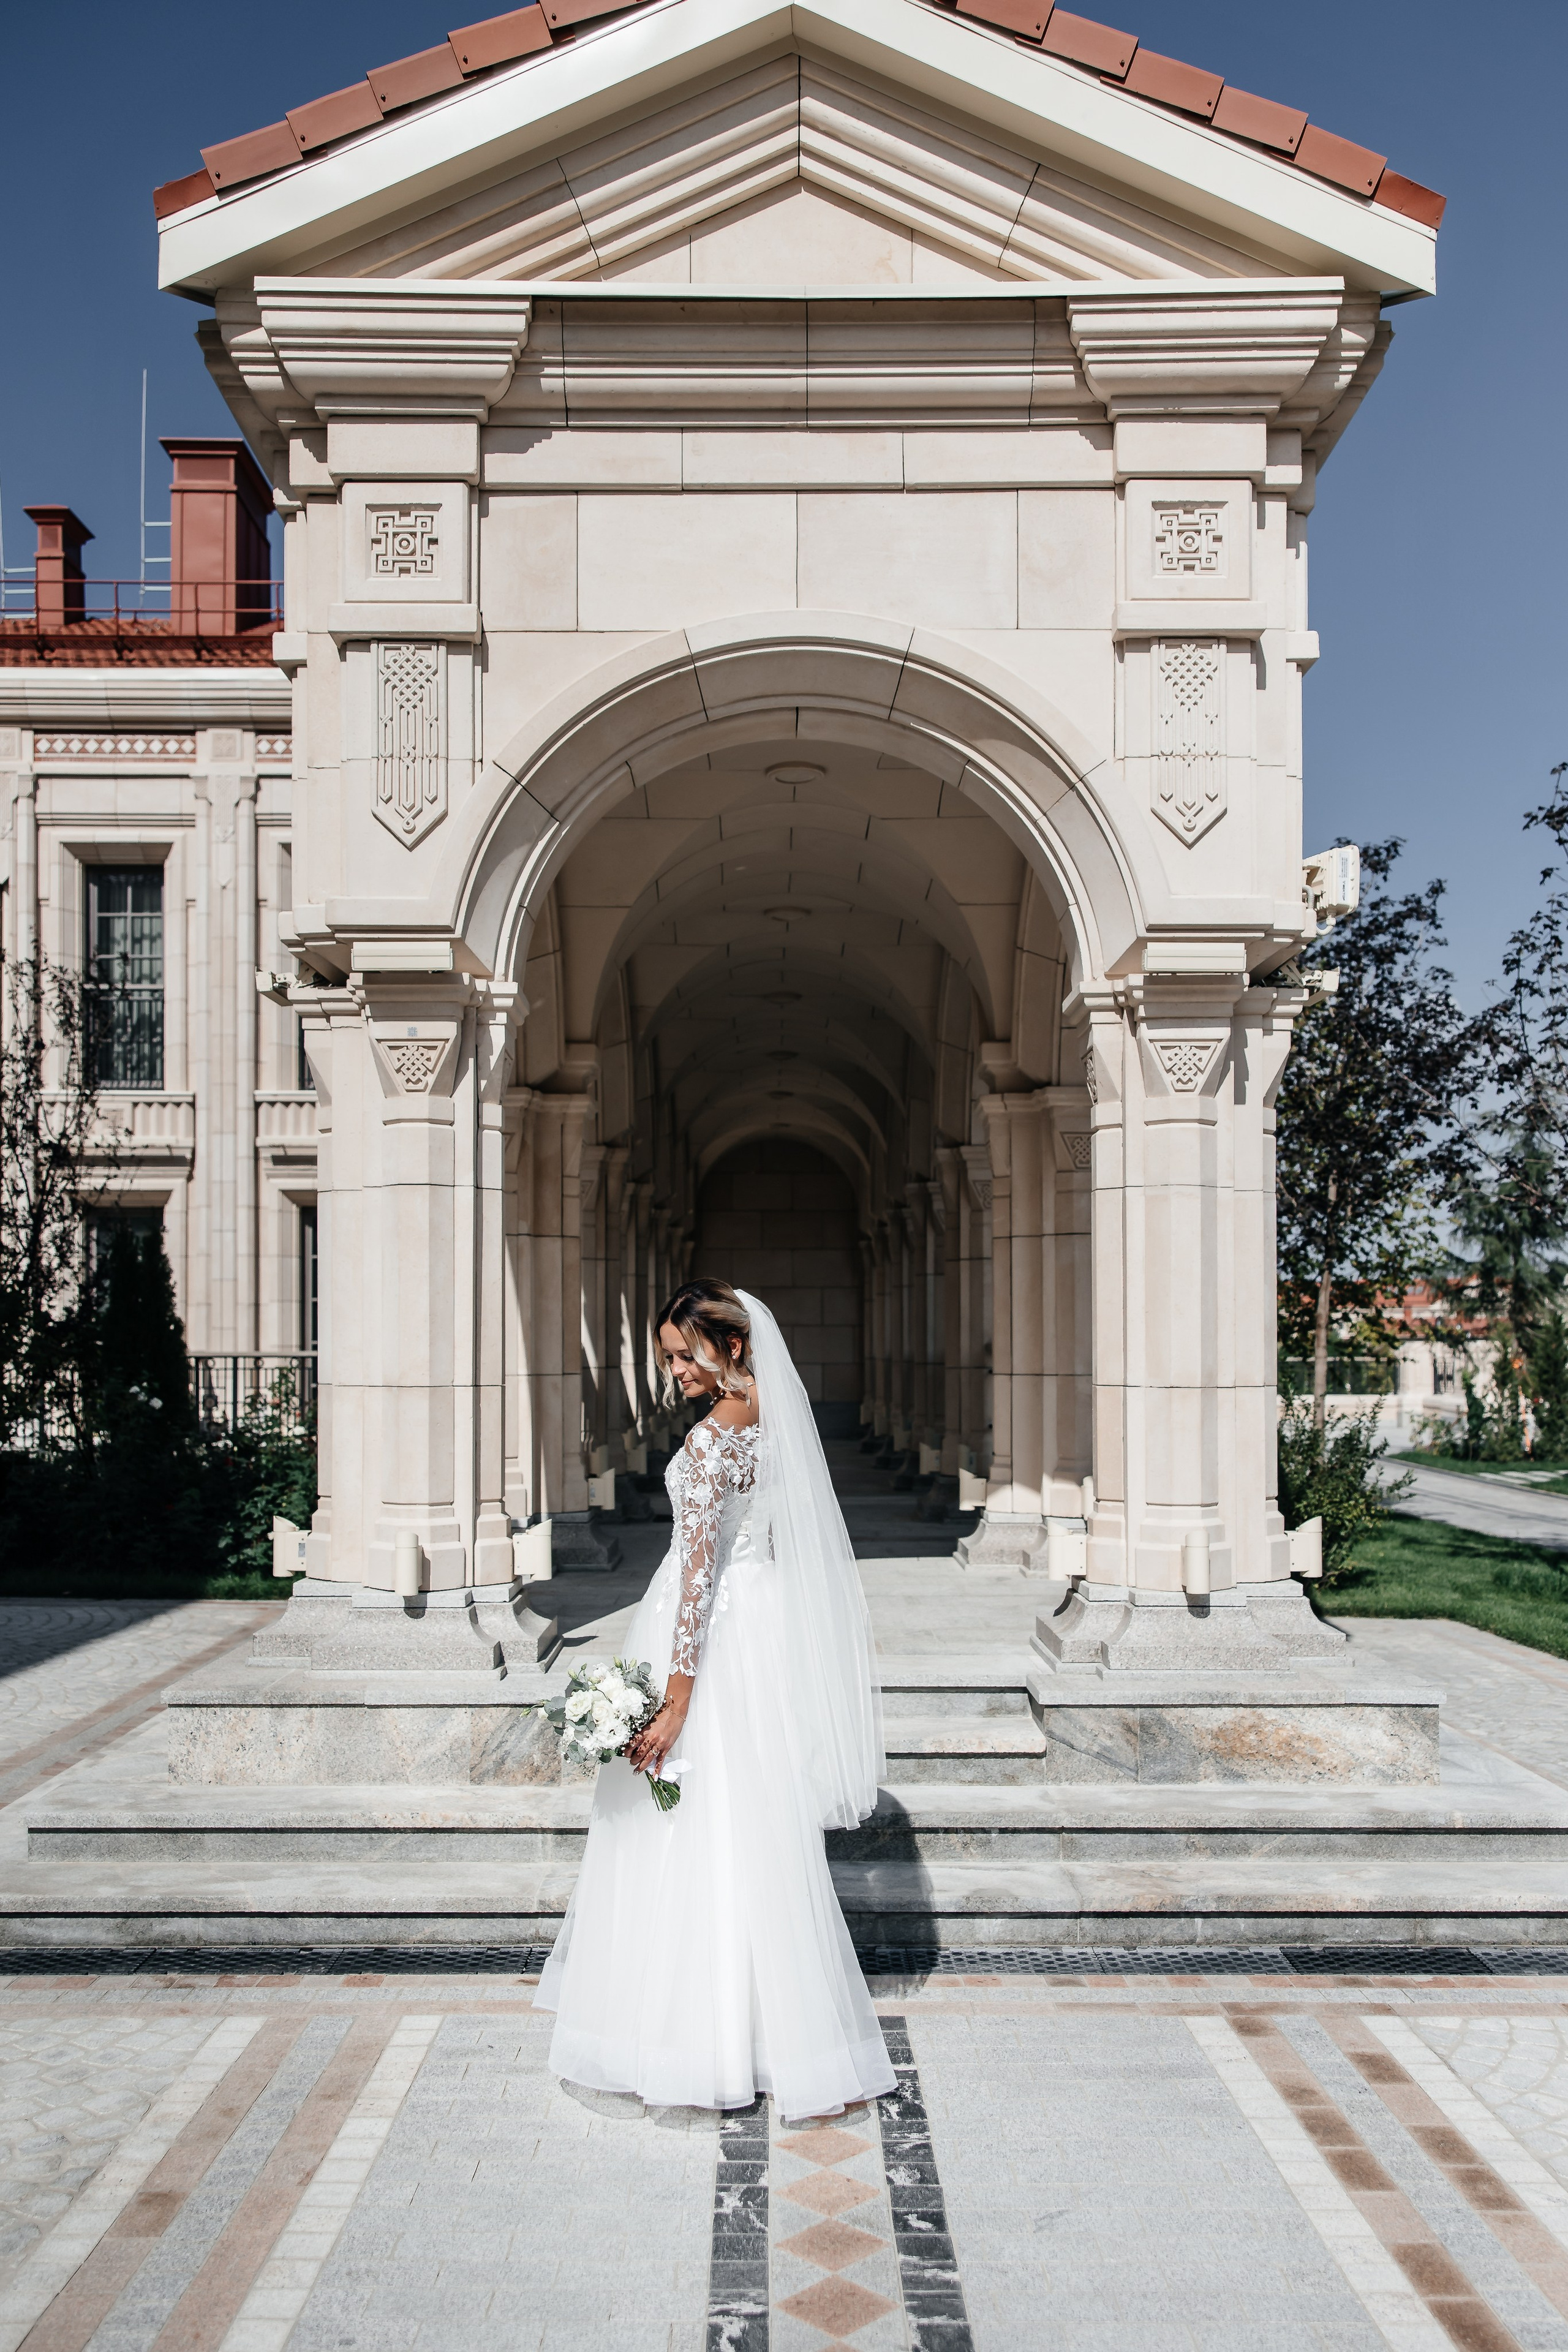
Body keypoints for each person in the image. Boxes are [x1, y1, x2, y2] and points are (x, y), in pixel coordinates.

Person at [534, 1278, 895, 2117]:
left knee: (686, 1830)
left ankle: (687, 2039)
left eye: (681, 1354)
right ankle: (774, 2036)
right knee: (757, 1830)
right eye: (665, 1357)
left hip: (708, 1643)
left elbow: (697, 1579)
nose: (673, 1373)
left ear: (729, 1346)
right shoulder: (779, 1420)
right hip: (761, 1638)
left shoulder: (710, 1444)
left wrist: (674, 1700)